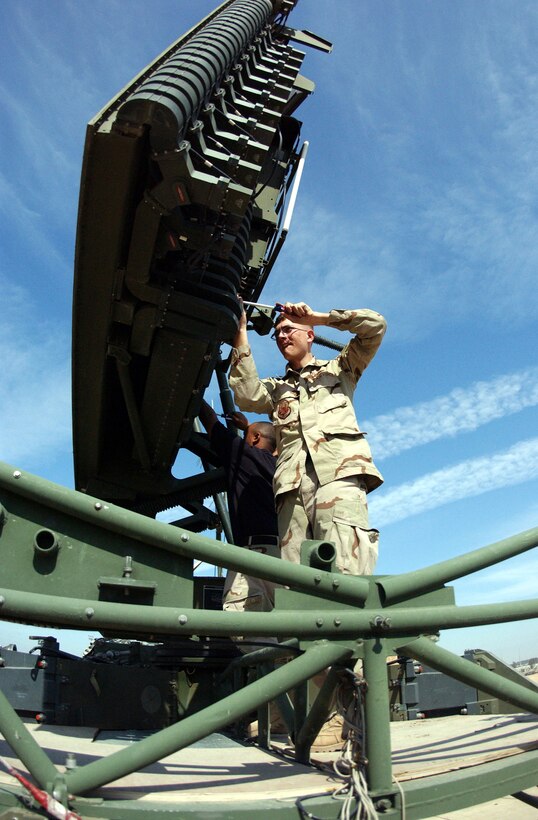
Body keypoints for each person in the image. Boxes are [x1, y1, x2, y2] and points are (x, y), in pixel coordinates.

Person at [229, 301, 386, 579]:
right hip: (292, 489)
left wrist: (319, 318)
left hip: (337, 478)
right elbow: (246, 394)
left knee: (347, 572)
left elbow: (375, 326)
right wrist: (241, 332)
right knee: (294, 580)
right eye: (277, 333)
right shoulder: (278, 389)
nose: (281, 336)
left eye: (289, 329)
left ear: (310, 335)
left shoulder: (341, 369)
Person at [198, 401, 279, 617]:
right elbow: (271, 441)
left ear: (254, 439)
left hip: (254, 554)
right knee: (281, 624)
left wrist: (195, 395)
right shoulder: (281, 466)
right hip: (282, 556)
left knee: (241, 621)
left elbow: (210, 421)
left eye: (247, 437)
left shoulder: (245, 455)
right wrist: (247, 427)